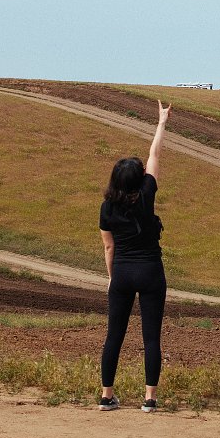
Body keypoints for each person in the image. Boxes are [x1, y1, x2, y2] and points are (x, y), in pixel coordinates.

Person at [98, 100, 172, 413]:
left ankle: (106, 396)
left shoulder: (107, 208)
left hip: (124, 274)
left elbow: (109, 247)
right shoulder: (147, 195)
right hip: (151, 271)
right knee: (151, 337)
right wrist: (161, 122)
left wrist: (113, 277)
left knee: (114, 335)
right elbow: (154, 155)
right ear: (139, 179)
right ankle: (149, 399)